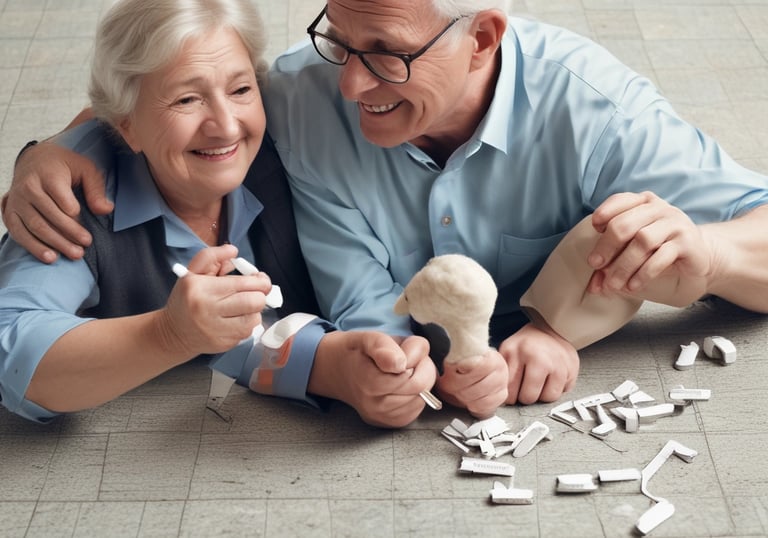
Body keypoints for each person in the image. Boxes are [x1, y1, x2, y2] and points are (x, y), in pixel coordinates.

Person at [6, 0, 768, 407]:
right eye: (338, 39)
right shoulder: (298, 102)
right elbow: (169, 100)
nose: (348, 83)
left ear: (482, 39)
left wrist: (712, 256)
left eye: (387, 55)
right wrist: (60, 147)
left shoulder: (597, 112)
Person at [0, 0, 448, 428]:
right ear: (125, 123)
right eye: (186, 100)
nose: (227, 126)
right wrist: (168, 335)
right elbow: (14, 353)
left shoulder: (290, 144)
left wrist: (340, 367)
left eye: (240, 89)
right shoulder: (72, 198)